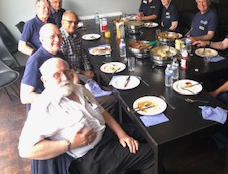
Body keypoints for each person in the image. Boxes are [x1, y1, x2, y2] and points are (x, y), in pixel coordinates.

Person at [18, 57, 154, 174]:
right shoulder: (43, 108)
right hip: (93, 156)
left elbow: (102, 112)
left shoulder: (78, 89)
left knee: (147, 134)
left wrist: (122, 134)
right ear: (45, 80)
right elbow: (25, 150)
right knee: (151, 155)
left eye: (66, 72)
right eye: (56, 75)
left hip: (106, 135)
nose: (64, 78)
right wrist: (69, 145)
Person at [20, 23, 78, 106]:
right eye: (52, 37)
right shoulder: (35, 61)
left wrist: (75, 92)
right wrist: (56, 99)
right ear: (42, 40)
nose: (58, 39)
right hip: (48, 106)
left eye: (59, 35)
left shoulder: (59, 54)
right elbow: (25, 97)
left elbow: (73, 75)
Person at [60, 10, 94, 79]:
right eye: (70, 22)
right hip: (69, 74)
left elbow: (82, 53)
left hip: (80, 69)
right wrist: (83, 73)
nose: (73, 25)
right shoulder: (59, 38)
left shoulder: (77, 34)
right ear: (62, 22)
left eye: (75, 23)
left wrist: (88, 69)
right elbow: (65, 64)